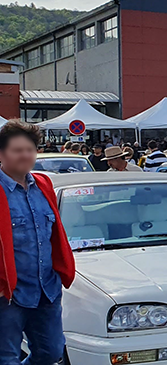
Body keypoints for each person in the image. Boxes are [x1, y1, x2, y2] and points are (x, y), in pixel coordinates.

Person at [0, 120, 76, 365]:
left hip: (47, 289)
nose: (25, 155)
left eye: (30, 149)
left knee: (52, 352)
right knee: (6, 357)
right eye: (17, 150)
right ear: (2, 153)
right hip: (8, 293)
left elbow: (54, 234)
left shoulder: (43, 185)